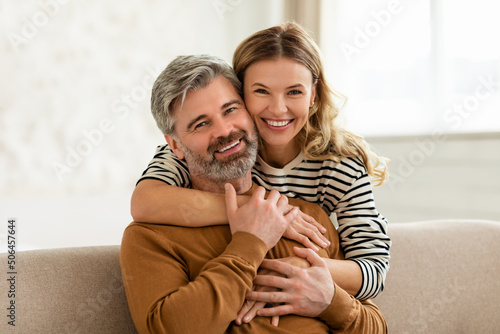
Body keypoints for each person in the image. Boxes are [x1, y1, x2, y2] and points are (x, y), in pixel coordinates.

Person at [132, 22, 391, 312]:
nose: (278, 109)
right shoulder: (230, 147)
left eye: (294, 92)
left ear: (313, 94)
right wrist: (266, 210)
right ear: (242, 93)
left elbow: (374, 271)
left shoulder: (339, 165)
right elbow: (144, 203)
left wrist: (295, 268)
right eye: (262, 91)